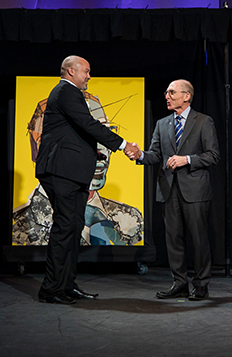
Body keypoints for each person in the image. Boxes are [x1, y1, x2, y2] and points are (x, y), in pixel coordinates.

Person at [35, 55, 138, 305]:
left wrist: (94, 153)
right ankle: (51, 289)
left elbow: (73, 132)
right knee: (65, 228)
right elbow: (87, 124)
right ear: (71, 71)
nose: (89, 76)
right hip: (61, 171)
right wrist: (123, 144)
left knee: (72, 228)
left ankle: (66, 285)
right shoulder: (67, 91)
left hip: (71, 172)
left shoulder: (68, 93)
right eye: (86, 71)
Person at [127, 80, 219, 300]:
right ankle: (179, 283)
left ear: (186, 96)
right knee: (173, 240)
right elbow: (155, 155)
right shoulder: (162, 124)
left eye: (171, 92)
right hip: (168, 190)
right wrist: (140, 155)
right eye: (166, 93)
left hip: (194, 190)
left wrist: (187, 159)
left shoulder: (203, 121)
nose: (167, 96)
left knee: (198, 239)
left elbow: (213, 155)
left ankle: (201, 284)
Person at [13, 95, 144, 247]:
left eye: (103, 133)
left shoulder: (130, 221)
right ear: (36, 150)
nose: (99, 151)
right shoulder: (20, 229)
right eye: (76, 139)